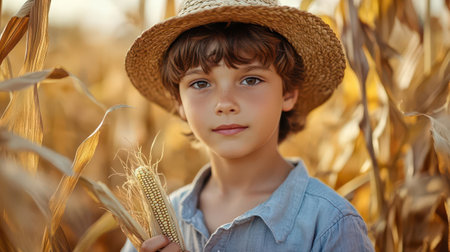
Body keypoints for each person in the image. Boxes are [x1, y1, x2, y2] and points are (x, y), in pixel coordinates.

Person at [122, 0, 374, 251]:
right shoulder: (157, 226)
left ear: (287, 93)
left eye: (250, 80)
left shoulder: (331, 225)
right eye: (200, 83)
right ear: (179, 102)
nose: (225, 104)